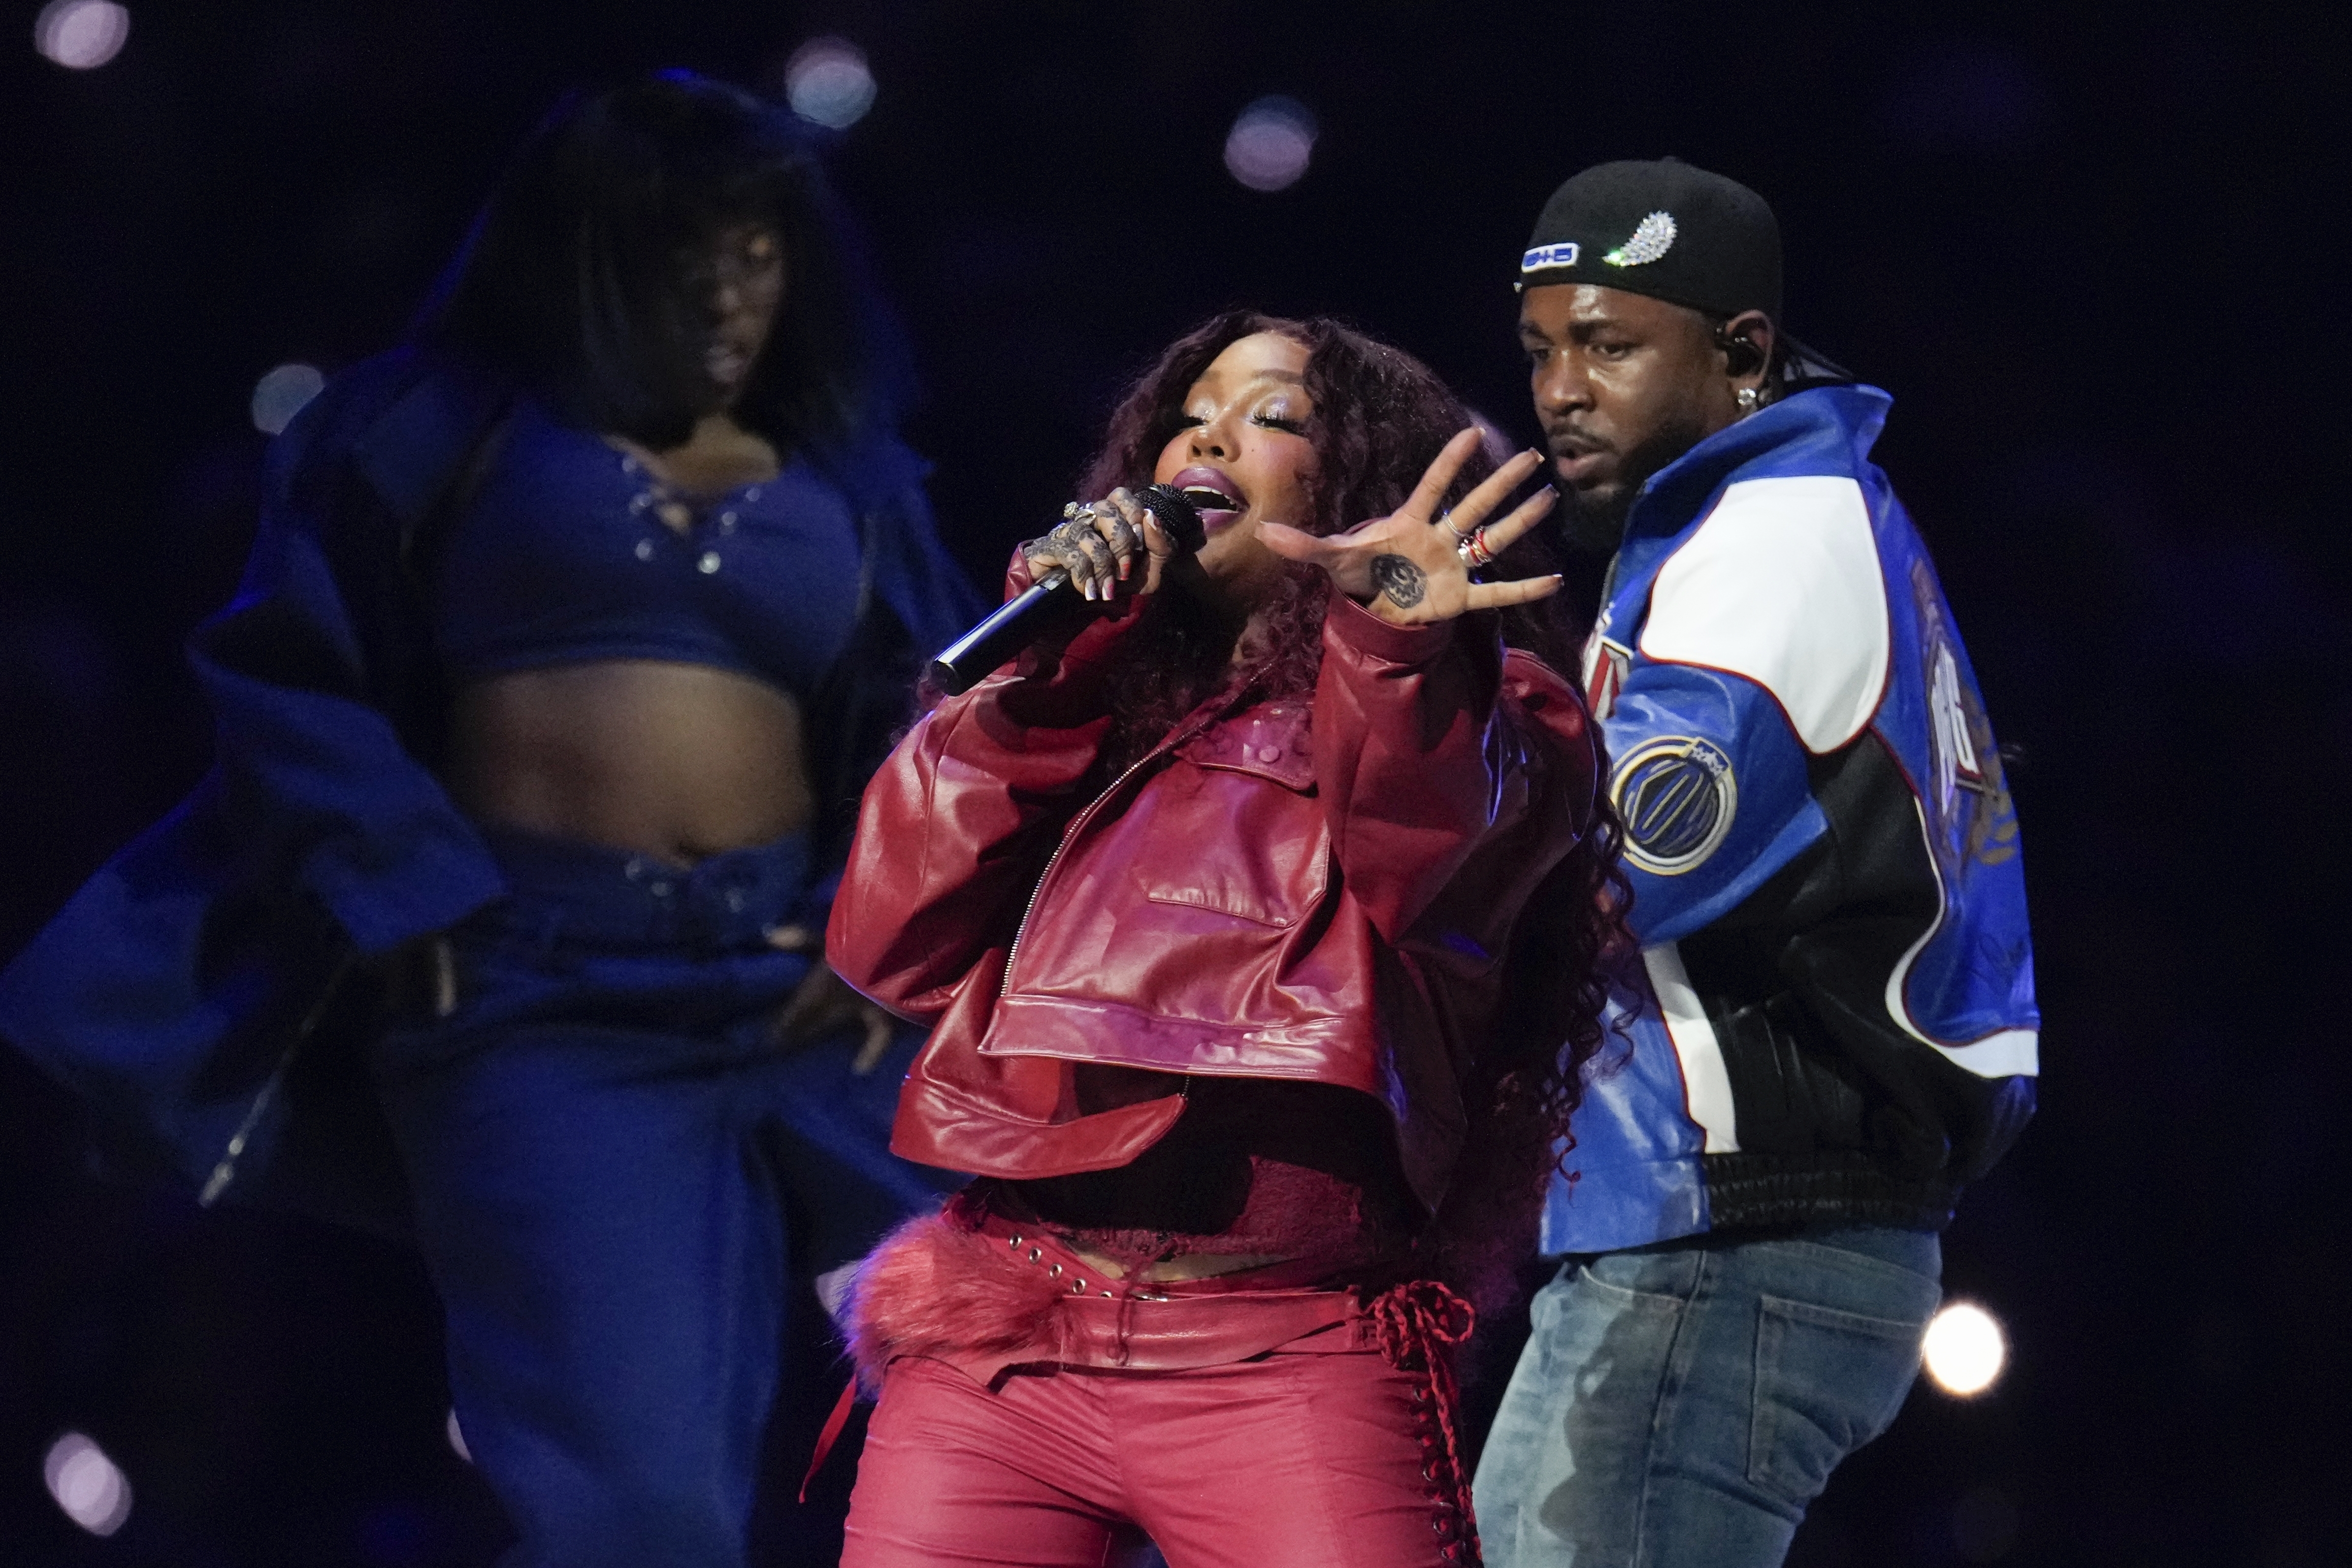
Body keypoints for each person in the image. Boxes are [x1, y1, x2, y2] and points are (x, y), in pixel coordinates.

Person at [0, 73, 976, 1567]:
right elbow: (290, 678)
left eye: (758, 252)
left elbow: (935, 735)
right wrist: (405, 895)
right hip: (546, 990)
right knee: (640, 1506)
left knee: (1035, 1403)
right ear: (583, 255)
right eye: (683, 251)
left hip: (806, 993)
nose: (728, 291)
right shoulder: (430, 434)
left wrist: (877, 930)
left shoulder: (851, 477)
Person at [821, 312, 1632, 1567]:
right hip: (1006, 1350)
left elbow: (1424, 850)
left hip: (1287, 1358)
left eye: (1274, 415)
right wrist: (1052, 670)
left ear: (1358, 482)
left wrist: (1401, 649)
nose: (1208, 432)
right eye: (1190, 414)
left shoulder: (1488, 703)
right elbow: (887, 939)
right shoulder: (1086, 696)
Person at [1470, 160, 2039, 1566]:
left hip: (1742, 1231)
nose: (1560, 392)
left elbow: (1603, 871)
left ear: (1741, 353)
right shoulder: (1756, 520)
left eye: (1609, 346)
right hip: (1713, 1225)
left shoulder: (1775, 536)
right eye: (1541, 351)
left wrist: (1396, 697)